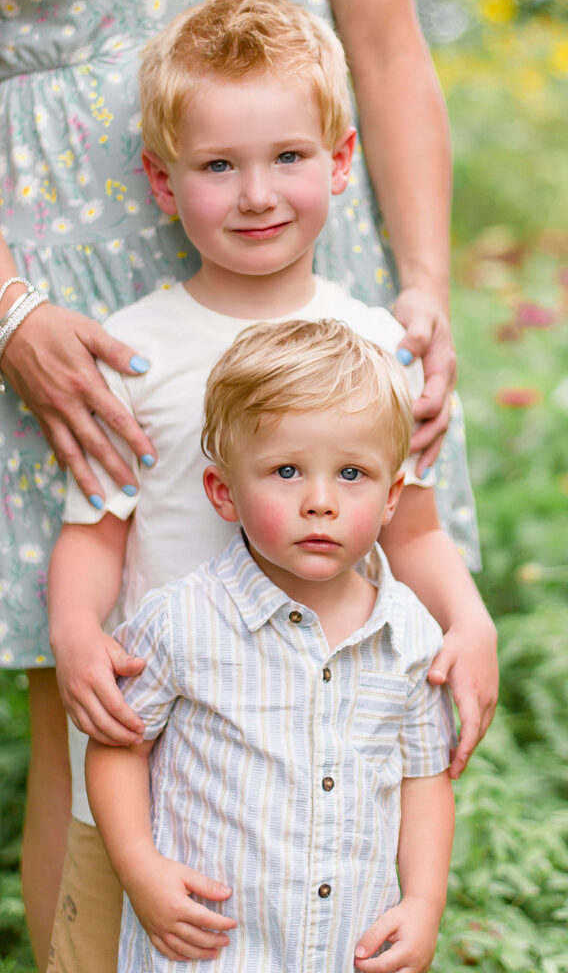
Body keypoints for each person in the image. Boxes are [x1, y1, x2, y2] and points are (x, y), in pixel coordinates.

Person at [0, 0, 494, 967]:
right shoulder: (133, 351)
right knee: (104, 882)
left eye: (286, 162)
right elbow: (97, 524)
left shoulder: (362, 350)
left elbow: (412, 524)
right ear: (167, 180)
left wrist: (470, 619)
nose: (256, 195)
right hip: (154, 750)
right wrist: (77, 629)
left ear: (336, 160)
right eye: (220, 167)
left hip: (305, 759)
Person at [85, 318, 457, 973]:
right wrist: (140, 869)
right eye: (286, 471)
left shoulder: (409, 636)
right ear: (224, 492)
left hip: (348, 945)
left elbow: (424, 778)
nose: (319, 502)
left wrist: (424, 902)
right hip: (210, 948)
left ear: (392, 495)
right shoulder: (180, 622)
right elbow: (119, 746)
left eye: (351, 473)